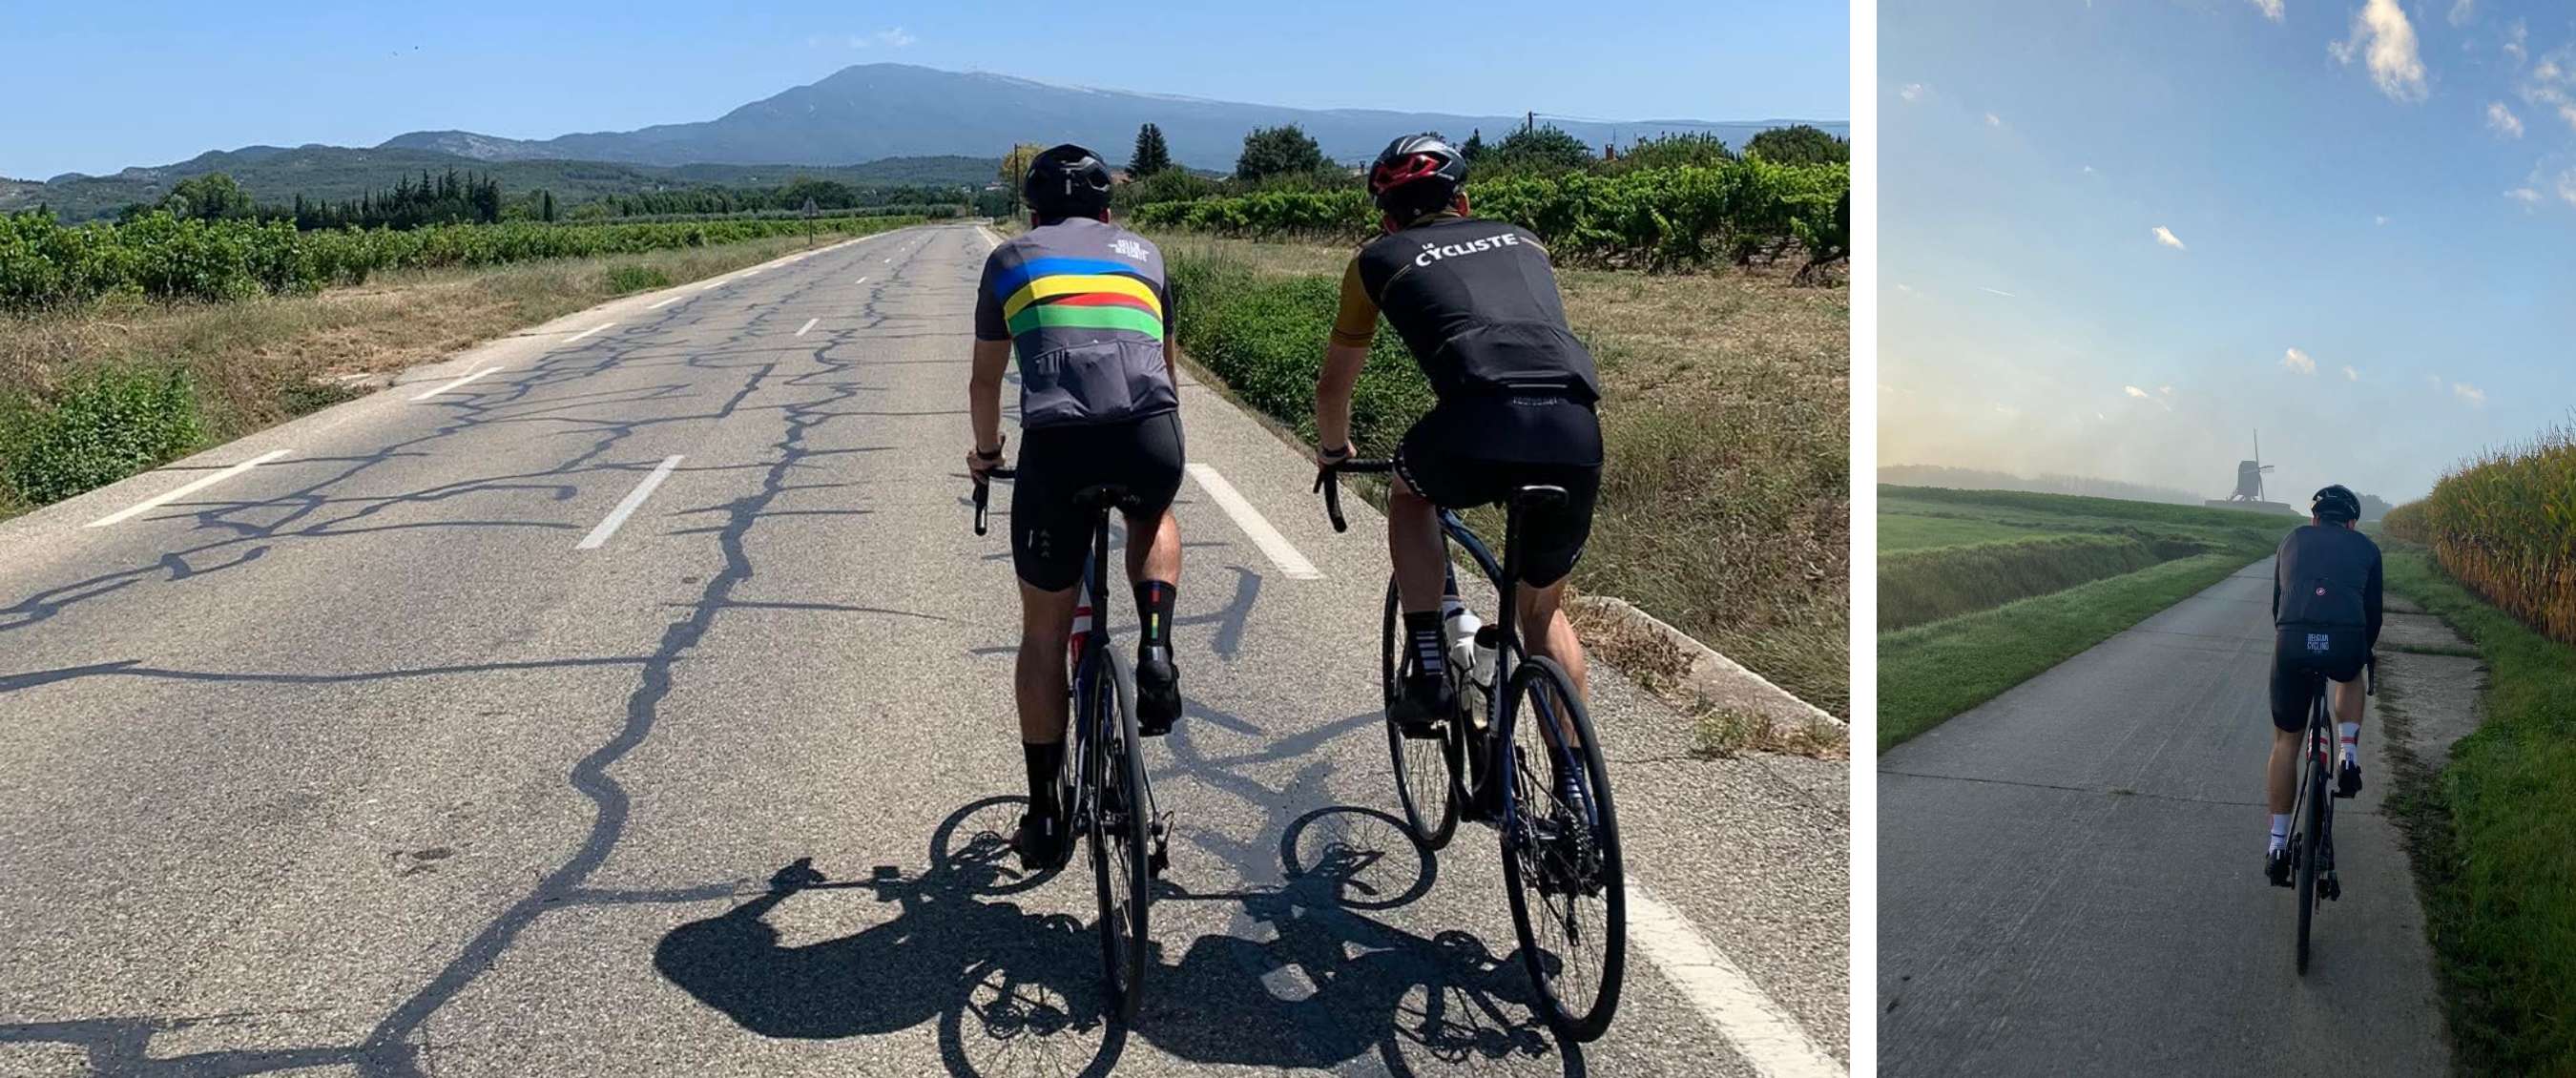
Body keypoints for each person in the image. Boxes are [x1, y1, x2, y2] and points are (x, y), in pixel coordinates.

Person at [1310, 133, 1604, 810]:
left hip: (1476, 418)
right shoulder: (1526, 239)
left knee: (1411, 497)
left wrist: (1334, 451)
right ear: (1464, 201)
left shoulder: (1375, 259)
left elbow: (1333, 390)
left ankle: (1432, 670)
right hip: (1574, 423)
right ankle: (1575, 794)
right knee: (1540, 608)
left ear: (1387, 219)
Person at [966, 144, 1185, 869]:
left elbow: (984, 385)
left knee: (1042, 635)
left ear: (1030, 212)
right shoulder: (1146, 254)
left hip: (1060, 449)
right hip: (1149, 435)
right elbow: (1168, 366)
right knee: (1150, 517)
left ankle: (1046, 813)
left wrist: (987, 456)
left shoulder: (1009, 259)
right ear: (1107, 213)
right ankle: (1155, 644)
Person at [2263, 484, 2381, 886]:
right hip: (2345, 642)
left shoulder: (2292, 540)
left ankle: (2277, 844)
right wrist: (2360, 649)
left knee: (2285, 742)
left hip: (2292, 643)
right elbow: (2373, 617)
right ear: (2351, 524)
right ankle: (2348, 753)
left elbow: (2278, 606)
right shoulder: (2366, 548)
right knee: (2351, 671)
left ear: (2314, 519)